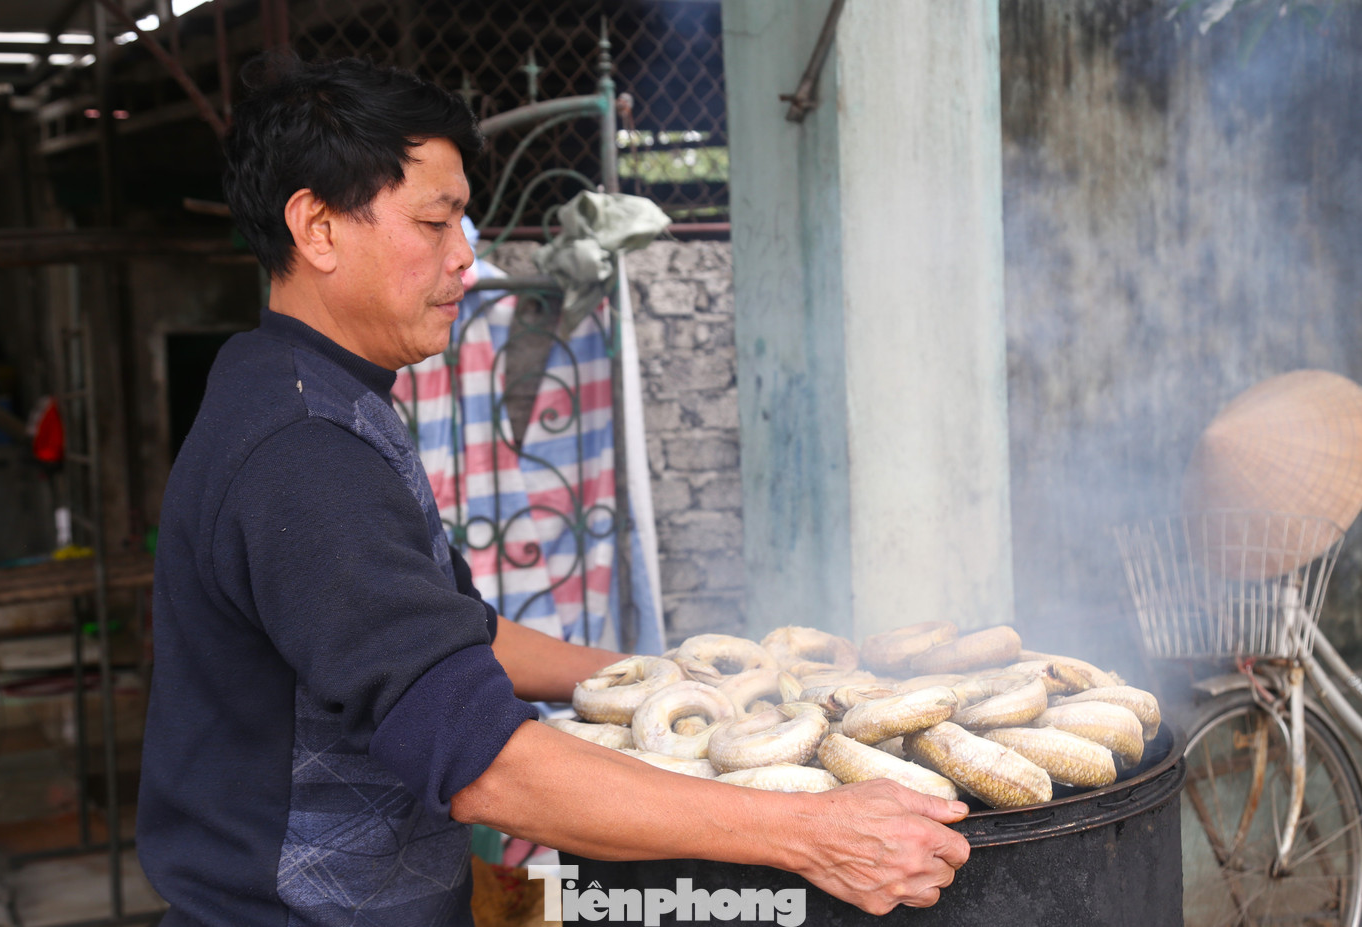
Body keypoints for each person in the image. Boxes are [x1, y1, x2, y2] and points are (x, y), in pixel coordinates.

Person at [136, 53, 970, 927]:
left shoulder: (320, 393)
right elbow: (484, 765)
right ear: (316, 227)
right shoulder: (302, 453)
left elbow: (465, 640)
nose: (467, 256)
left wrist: (657, 675)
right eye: (436, 221)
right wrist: (805, 831)